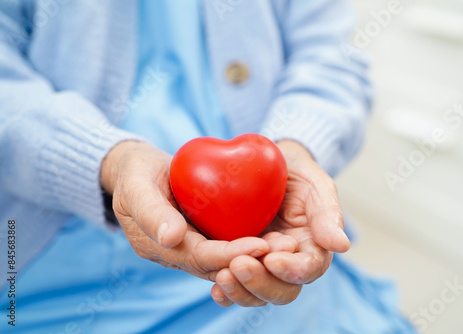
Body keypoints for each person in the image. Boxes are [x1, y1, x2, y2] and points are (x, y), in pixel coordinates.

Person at [0, 0, 415, 332]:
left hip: (274, 229)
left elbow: (333, 61)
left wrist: (296, 146)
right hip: (46, 259)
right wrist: (111, 160)